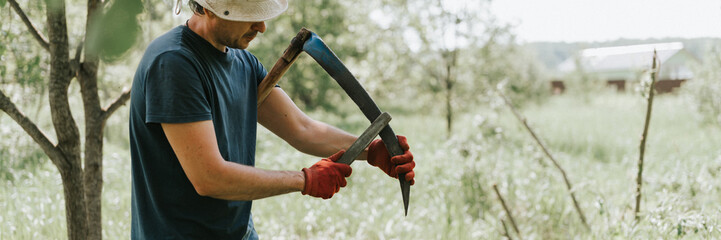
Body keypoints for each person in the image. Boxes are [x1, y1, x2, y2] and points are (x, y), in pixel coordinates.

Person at [128, 0, 416, 238]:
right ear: (211, 8)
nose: (262, 27)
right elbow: (209, 177)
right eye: (250, 16)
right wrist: (304, 180)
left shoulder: (243, 63)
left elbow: (302, 129)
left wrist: (372, 150)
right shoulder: (174, 62)